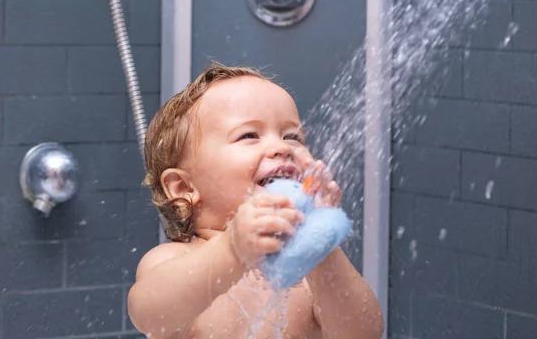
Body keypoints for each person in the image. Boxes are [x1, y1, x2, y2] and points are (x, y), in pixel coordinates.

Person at [127, 63, 384, 339]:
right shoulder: (175, 260)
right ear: (184, 187)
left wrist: (322, 245)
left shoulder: (305, 276)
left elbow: (364, 333)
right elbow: (149, 313)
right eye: (249, 135)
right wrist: (232, 251)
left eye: (292, 136)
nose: (282, 148)